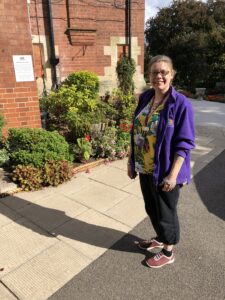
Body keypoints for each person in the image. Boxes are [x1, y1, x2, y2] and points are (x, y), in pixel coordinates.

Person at [127, 55, 195, 268]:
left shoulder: (180, 103)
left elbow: (185, 142)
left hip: (166, 170)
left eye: (164, 72)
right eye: (155, 72)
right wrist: (131, 160)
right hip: (145, 166)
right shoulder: (146, 97)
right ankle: (159, 237)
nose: (159, 76)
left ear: (172, 74)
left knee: (166, 212)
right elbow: (136, 130)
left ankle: (168, 250)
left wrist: (173, 175)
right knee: (151, 207)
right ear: (149, 75)